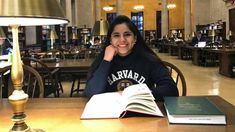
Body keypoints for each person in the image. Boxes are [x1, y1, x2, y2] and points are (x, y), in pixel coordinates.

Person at [84, 15, 179, 101]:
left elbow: (171, 90)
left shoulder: (148, 60)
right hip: (111, 115)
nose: (122, 40)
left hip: (142, 114)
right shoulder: (104, 60)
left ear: (135, 38)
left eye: (127, 34)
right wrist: (106, 61)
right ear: (110, 40)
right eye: (116, 35)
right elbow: (92, 93)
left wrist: (137, 94)